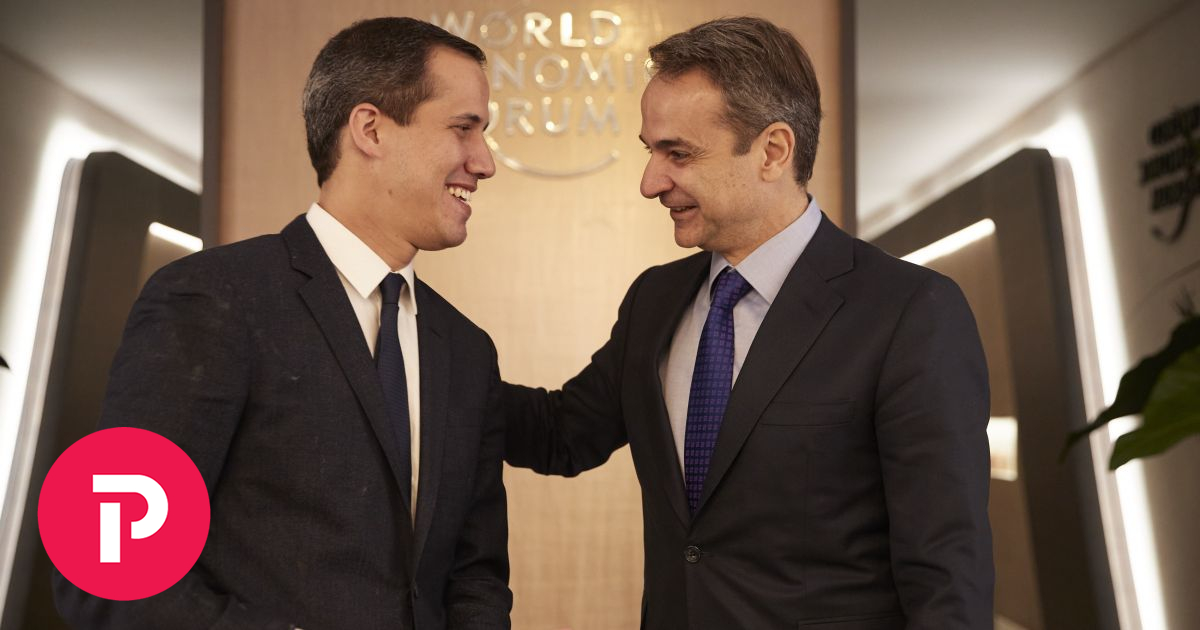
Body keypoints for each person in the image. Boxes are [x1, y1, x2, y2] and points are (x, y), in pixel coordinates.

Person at [503, 16, 993, 630]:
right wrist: (425, 358)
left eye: (679, 153)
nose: (650, 182)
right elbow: (562, 434)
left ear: (773, 151)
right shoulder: (654, 300)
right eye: (651, 151)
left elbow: (945, 571)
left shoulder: (910, 311)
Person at [53, 17, 510, 630]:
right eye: (463, 128)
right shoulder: (212, 299)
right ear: (371, 129)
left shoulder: (467, 350)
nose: (484, 162)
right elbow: (108, 565)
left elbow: (475, 575)